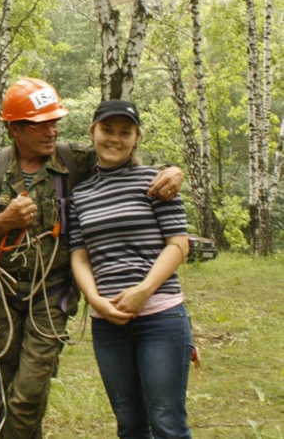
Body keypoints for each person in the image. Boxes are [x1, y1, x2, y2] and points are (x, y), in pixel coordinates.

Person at [0, 77, 183, 438]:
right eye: (41, 124)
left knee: (28, 393)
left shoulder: (74, 158)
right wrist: (2, 221)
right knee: (7, 389)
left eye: (55, 122)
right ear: (15, 129)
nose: (52, 131)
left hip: (52, 295)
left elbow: (122, 155)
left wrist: (173, 171)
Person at [69, 99, 192, 438]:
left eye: (125, 132)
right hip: (107, 323)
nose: (115, 139)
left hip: (161, 317)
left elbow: (179, 244)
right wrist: (95, 300)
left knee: (166, 421)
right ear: (93, 131)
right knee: (129, 424)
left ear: (136, 138)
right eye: (107, 129)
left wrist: (143, 291)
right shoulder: (80, 194)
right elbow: (79, 255)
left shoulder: (157, 182)